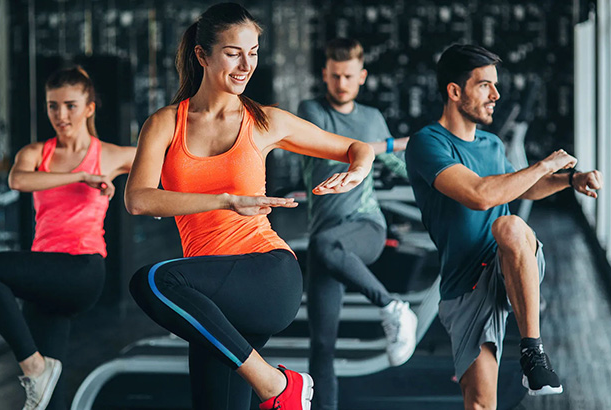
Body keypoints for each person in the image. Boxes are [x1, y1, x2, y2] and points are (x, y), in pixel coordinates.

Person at [124, 4, 378, 410]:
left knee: (153, 282)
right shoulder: (165, 124)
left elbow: (356, 148)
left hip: (267, 275)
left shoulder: (264, 122)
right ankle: (275, 386)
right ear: (202, 54)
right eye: (233, 52)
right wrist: (225, 200)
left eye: (254, 52)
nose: (246, 65)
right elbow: (138, 198)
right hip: (213, 294)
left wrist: (357, 171)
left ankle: (278, 386)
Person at [405, 44, 603, 408]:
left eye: (495, 85)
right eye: (484, 85)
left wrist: (570, 179)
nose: (496, 95)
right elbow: (479, 195)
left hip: (509, 260)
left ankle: (532, 352)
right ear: (454, 91)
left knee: (509, 226)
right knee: (481, 402)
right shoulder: (426, 143)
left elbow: (518, 186)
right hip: (464, 283)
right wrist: (546, 165)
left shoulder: (492, 144)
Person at [0, 66, 136, 410]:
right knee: (47, 399)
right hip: (45, 277)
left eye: (70, 105)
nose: (61, 115)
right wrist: (81, 176)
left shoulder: (112, 154)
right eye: (52, 106)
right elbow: (18, 181)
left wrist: (141, 194)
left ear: (89, 108)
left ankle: (34, 367)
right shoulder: (36, 153)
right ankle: (40, 371)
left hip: (81, 272)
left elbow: (166, 164)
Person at [297, 37, 417, 410]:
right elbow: (336, 152)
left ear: (362, 76)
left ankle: (392, 308)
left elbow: (398, 166)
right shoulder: (311, 110)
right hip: (325, 237)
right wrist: (388, 143)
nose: (341, 83)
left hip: (366, 227)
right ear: (325, 75)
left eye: (349, 76)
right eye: (334, 76)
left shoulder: (372, 118)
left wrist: (431, 161)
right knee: (321, 343)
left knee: (323, 246)